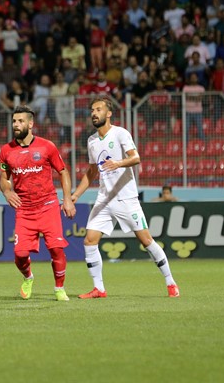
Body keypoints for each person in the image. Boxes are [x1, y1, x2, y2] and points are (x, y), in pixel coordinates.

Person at [70, 95, 180, 299]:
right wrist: (75, 195)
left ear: (109, 113)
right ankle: (99, 289)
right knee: (89, 240)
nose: (94, 113)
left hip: (126, 198)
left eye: (98, 109)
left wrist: (118, 163)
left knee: (146, 240)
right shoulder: (92, 141)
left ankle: (170, 282)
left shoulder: (120, 133)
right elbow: (92, 172)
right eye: (92, 110)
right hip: (104, 199)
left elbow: (136, 158)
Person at [0, 105, 76, 301]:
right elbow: (4, 178)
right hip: (24, 209)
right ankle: (28, 277)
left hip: (48, 205)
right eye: (14, 121)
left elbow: (63, 172)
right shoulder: (6, 151)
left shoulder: (47, 146)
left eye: (20, 121)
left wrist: (67, 199)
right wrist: (7, 191)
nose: (16, 125)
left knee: (56, 248)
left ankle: (59, 288)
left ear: (31, 124)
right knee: (20, 254)